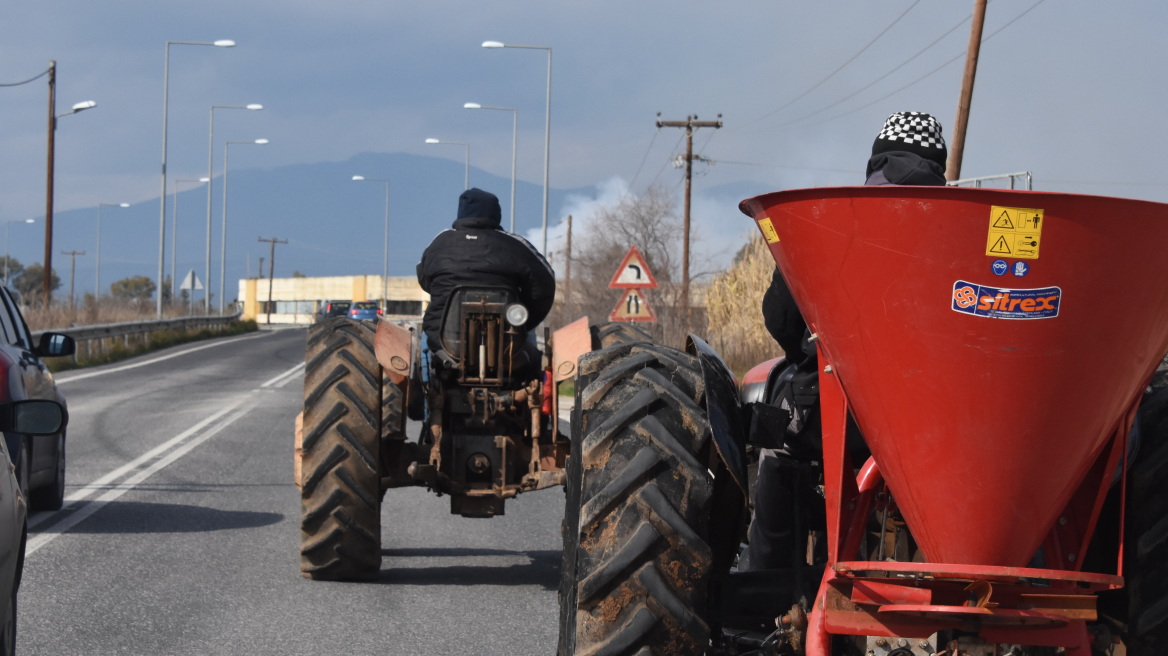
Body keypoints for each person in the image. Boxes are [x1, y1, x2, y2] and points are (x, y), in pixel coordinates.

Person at [746, 112, 948, 571]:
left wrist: (809, 350)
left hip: (841, 418)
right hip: (940, 427)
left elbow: (781, 318)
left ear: (876, 159)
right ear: (939, 165)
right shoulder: (965, 224)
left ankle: (769, 580)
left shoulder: (830, 218)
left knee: (778, 445)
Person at [416, 187, 556, 360]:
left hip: (443, 344)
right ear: (496, 214)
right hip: (507, 345)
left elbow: (424, 279)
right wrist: (524, 321)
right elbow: (544, 285)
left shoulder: (439, 243)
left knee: (425, 353)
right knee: (532, 357)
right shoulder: (515, 244)